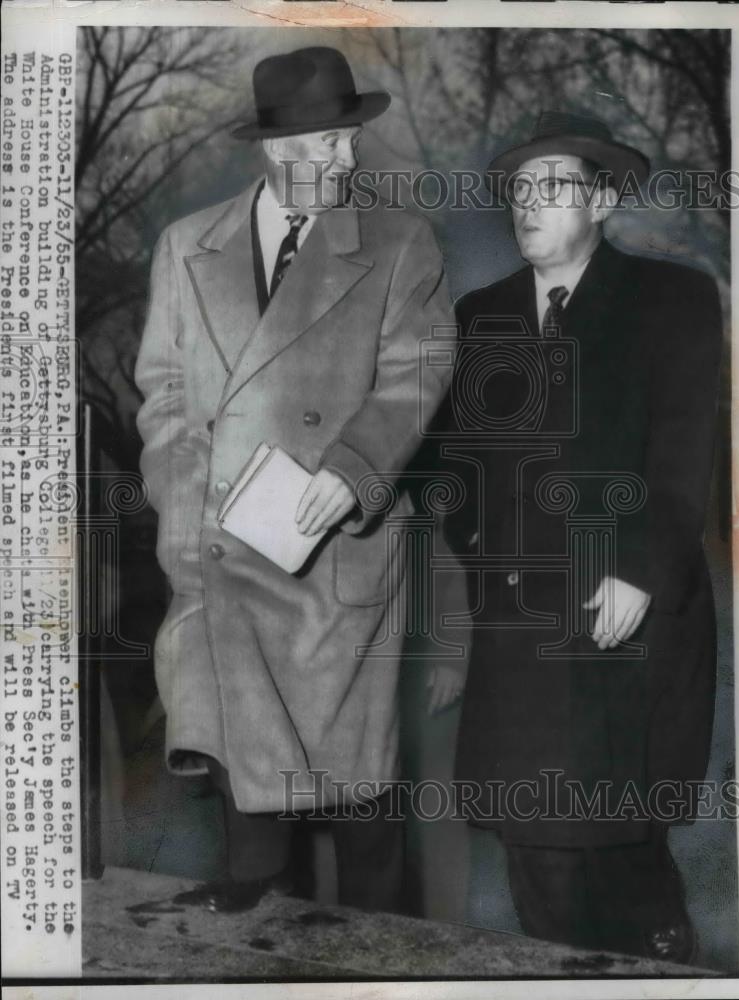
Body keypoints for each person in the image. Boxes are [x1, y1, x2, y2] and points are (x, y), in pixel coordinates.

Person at [135, 45, 454, 913]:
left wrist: (353, 472)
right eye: (326, 145)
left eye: (348, 141)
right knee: (248, 792)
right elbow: (162, 392)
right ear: (279, 150)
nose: (346, 159)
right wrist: (179, 501)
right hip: (221, 542)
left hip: (336, 549)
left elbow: (418, 370)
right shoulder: (183, 247)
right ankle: (252, 937)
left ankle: (385, 955)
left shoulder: (398, 244)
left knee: (358, 794)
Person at [446, 110, 722, 962]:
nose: (528, 205)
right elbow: (456, 466)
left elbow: (683, 452)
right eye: (519, 189)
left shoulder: (669, 299)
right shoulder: (481, 313)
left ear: (600, 199)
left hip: (626, 621)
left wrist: (637, 569)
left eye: (553, 185)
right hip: (521, 639)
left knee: (620, 850)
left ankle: (660, 968)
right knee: (536, 856)